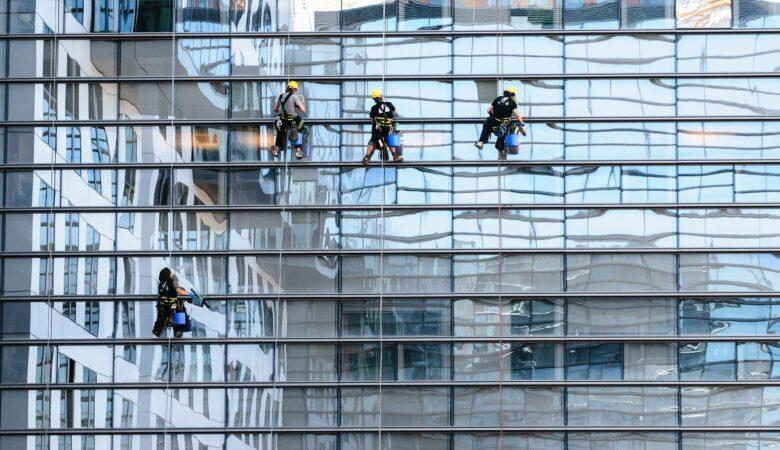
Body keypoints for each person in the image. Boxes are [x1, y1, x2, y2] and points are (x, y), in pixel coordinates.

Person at [474, 86, 527, 152]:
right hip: (503, 123)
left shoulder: (497, 98)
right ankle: (500, 147)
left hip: (493, 120)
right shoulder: (512, 102)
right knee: (503, 132)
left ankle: (481, 142)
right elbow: (518, 115)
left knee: (486, 125)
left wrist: (493, 116)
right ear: (512, 94)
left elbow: (488, 110)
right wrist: (521, 122)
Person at [153, 268, 202, 337]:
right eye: (170, 273)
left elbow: (161, 295)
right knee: (181, 307)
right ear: (168, 274)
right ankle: (178, 330)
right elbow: (178, 290)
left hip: (163, 307)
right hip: (173, 307)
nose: (171, 274)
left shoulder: (161, 285)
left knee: (179, 300)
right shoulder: (172, 282)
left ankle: (157, 330)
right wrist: (188, 294)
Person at [362, 89, 403, 164]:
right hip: (388, 128)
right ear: (381, 96)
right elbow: (395, 114)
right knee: (389, 140)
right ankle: (395, 156)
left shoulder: (374, 108)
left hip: (378, 130)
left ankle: (367, 157)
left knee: (372, 141)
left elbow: (372, 121)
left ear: (374, 99)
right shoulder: (389, 104)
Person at [271, 81, 306, 160]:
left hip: (282, 119)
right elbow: (303, 109)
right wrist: (297, 104)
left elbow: (275, 109)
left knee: (280, 133)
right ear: (294, 89)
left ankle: (276, 150)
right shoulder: (295, 97)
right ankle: (297, 152)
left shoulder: (280, 96)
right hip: (292, 119)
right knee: (299, 129)